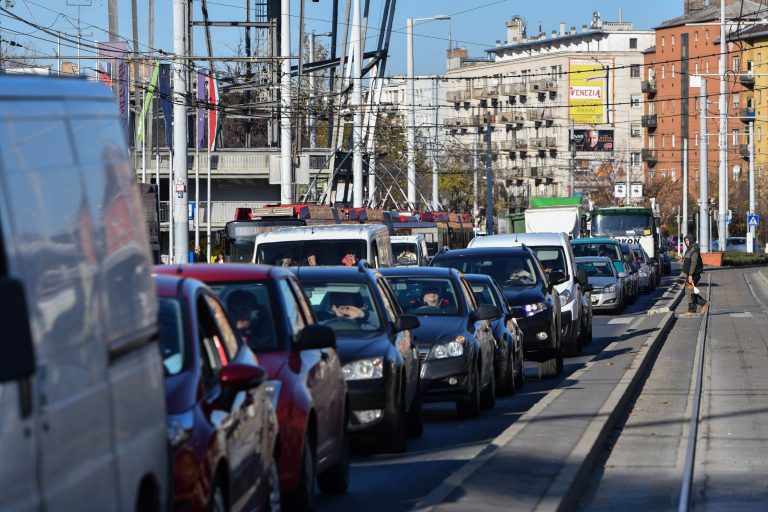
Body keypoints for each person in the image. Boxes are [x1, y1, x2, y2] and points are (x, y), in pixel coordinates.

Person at [680, 233, 708, 317]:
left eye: (687, 240)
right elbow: (689, 260)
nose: (686, 242)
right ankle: (702, 304)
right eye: (685, 241)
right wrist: (683, 259)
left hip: (693, 274)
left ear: (691, 240)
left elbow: (694, 263)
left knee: (689, 291)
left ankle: (693, 310)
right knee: (689, 291)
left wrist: (690, 275)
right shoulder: (690, 249)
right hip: (690, 273)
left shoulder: (694, 249)